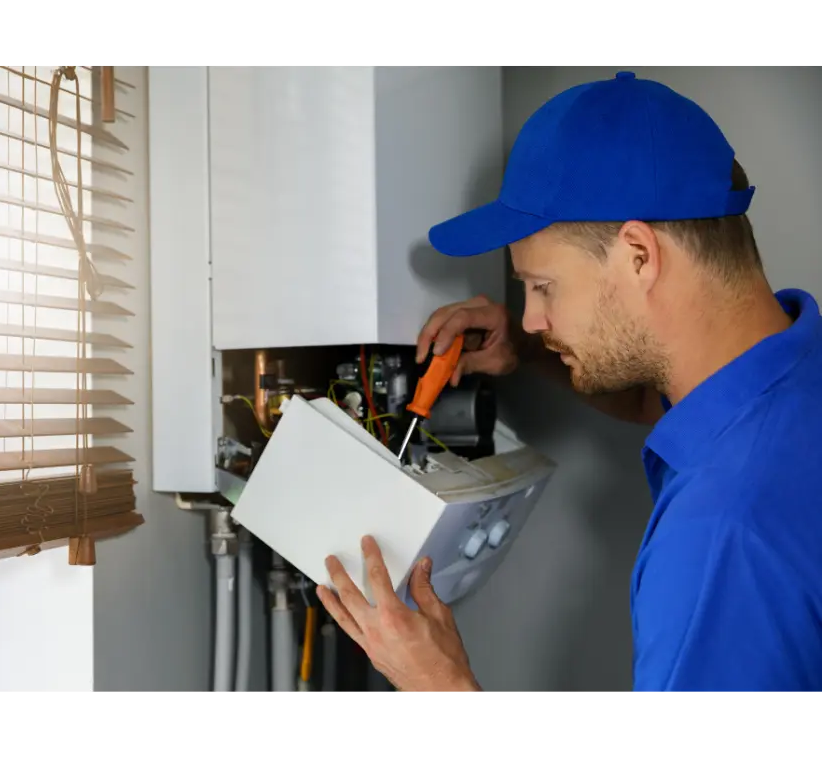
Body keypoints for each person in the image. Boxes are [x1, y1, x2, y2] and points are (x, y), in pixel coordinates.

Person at [315, 70, 822, 696]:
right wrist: (528, 350)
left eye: (543, 287)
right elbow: (660, 399)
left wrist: (440, 684)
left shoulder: (722, 536)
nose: (531, 317)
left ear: (639, 255)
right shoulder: (791, 371)